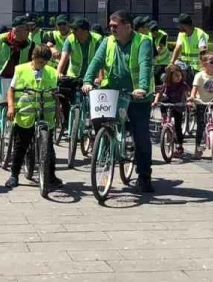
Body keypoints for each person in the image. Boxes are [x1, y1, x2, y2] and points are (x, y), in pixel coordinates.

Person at [83, 10, 155, 194]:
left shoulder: (143, 41)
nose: (111, 29)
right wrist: (87, 80)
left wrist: (143, 87)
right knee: (100, 121)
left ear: (128, 26)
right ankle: (106, 146)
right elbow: (96, 61)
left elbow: (145, 64)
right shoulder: (107, 41)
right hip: (112, 92)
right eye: (110, 26)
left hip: (137, 96)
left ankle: (144, 175)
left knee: (141, 136)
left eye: (115, 26)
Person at [5, 45, 64, 189]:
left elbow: (55, 93)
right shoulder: (21, 70)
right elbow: (11, 90)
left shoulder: (51, 72)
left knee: (49, 147)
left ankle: (51, 175)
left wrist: (57, 110)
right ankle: (14, 175)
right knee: (20, 145)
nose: (41, 65)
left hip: (46, 115)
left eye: (44, 63)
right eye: (39, 62)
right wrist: (11, 107)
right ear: (33, 58)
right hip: (26, 114)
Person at [56, 17, 101, 131]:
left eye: (76, 29)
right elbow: (64, 58)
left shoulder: (97, 39)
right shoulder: (70, 39)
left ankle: (92, 126)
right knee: (64, 94)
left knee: (94, 103)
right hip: (74, 75)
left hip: (92, 76)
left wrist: (100, 77)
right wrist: (59, 72)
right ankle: (66, 120)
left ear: (84, 31)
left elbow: (102, 61)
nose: (73, 32)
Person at [153, 62, 189, 159]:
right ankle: (164, 117)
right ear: (170, 76)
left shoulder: (183, 85)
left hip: (178, 105)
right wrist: (155, 102)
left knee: (178, 127)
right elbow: (159, 93)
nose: (178, 78)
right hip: (169, 103)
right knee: (163, 101)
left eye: (179, 75)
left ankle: (179, 146)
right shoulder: (167, 84)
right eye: (176, 76)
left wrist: (189, 102)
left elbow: (187, 94)